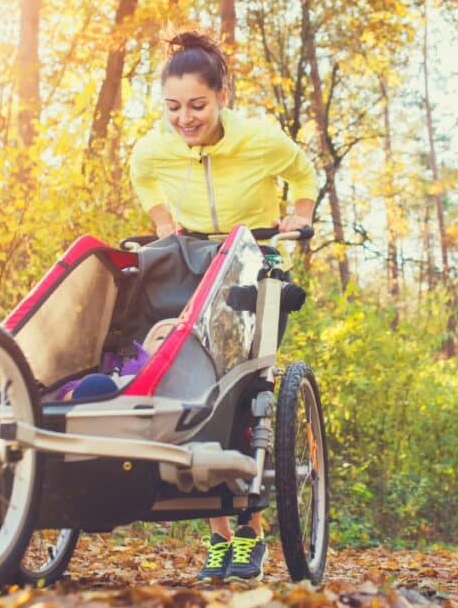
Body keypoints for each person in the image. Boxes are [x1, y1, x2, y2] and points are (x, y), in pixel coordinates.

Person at [129, 31, 317, 582]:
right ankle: (217, 537)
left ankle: (250, 530)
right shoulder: (153, 147)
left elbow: (303, 173)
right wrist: (164, 223)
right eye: (173, 107)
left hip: (251, 257)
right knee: (192, 387)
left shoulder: (260, 139)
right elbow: (144, 177)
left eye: (197, 105)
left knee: (240, 390)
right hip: (192, 261)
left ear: (222, 97)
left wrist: (299, 215)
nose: (185, 118)